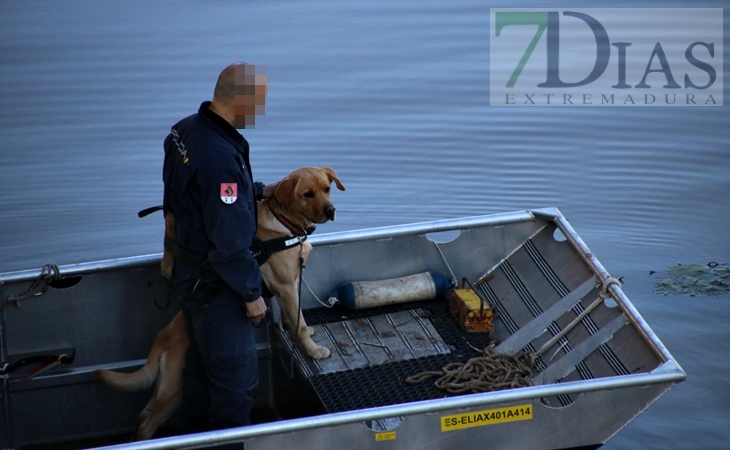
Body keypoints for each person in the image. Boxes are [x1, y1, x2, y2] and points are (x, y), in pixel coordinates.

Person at [161, 62, 270, 437]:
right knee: (233, 389)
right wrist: (252, 293)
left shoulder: (185, 130)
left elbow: (187, 198)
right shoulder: (221, 159)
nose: (261, 111)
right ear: (239, 100)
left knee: (199, 379)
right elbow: (229, 241)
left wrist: (254, 190)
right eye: (259, 102)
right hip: (217, 289)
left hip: (187, 277)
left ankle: (193, 442)